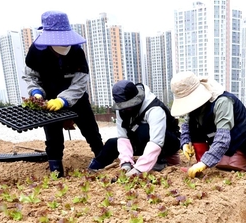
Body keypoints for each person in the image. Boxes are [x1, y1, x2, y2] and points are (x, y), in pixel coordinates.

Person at [170, 71, 246, 211]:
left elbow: (223, 139)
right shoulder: (195, 108)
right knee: (194, 128)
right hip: (216, 142)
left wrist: (205, 162)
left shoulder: (222, 101)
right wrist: (185, 142)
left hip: (241, 139)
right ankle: (199, 168)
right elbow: (187, 124)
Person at [22, 11, 103, 178]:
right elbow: (31, 77)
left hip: (76, 97)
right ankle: (56, 171)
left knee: (91, 131)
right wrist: (36, 93)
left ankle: (103, 160)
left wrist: (63, 100)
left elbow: (80, 82)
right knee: (53, 138)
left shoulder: (76, 52)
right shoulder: (36, 53)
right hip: (48, 99)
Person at [88, 80, 181, 176]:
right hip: (142, 141)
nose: (126, 110)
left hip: (167, 143)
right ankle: (94, 167)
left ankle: (160, 161)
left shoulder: (154, 109)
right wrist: (126, 163)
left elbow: (156, 141)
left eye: (129, 106)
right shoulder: (122, 110)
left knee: (144, 130)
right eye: (123, 107)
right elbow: (123, 137)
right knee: (112, 143)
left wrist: (139, 169)